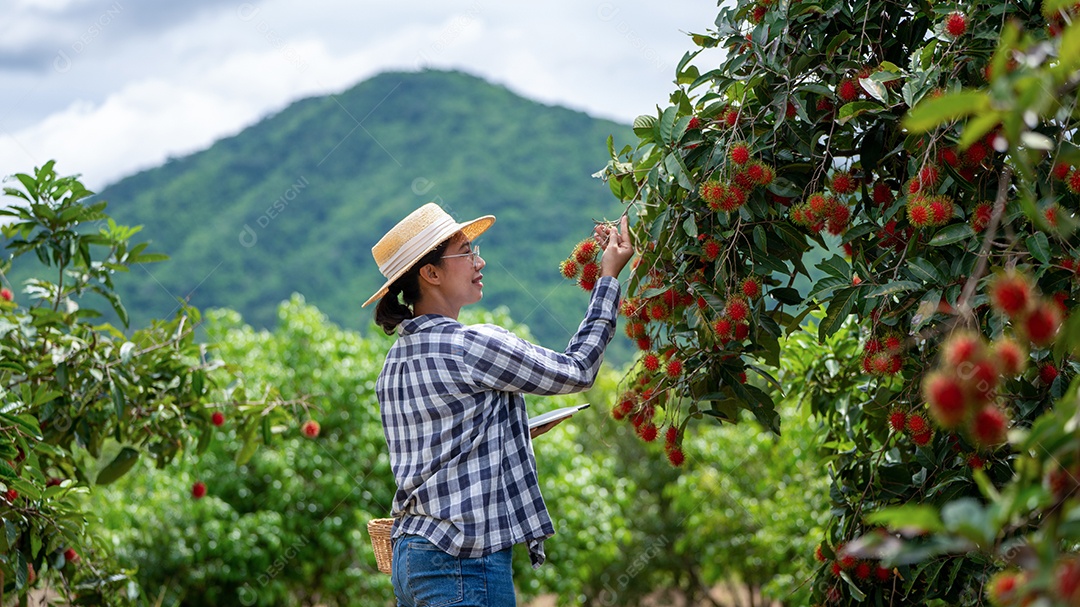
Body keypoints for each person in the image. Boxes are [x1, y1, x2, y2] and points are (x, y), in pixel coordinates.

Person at [363, 202, 633, 607]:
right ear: (430, 273)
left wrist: (514, 432)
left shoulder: (394, 363)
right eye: (465, 252)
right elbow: (578, 370)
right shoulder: (470, 345)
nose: (479, 260)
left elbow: (443, 451)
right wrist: (608, 277)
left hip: (411, 557)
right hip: (462, 561)